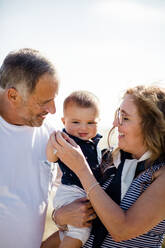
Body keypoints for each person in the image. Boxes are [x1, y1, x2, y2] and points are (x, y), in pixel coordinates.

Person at [49, 85, 165, 247]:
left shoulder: (161, 174)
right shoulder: (107, 159)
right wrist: (60, 216)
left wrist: (82, 169)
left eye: (125, 118)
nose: (115, 123)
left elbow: (122, 230)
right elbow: (76, 219)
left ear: (150, 126)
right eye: (118, 115)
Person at [0, 48, 60, 248]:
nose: (52, 110)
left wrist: (62, 216)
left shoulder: (53, 136)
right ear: (13, 95)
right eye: (44, 102)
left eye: (54, 98)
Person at [44, 91, 103, 248]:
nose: (83, 128)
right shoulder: (65, 140)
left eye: (91, 123)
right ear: (64, 121)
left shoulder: (95, 142)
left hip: (83, 193)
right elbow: (51, 158)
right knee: (80, 233)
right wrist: (53, 143)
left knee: (70, 231)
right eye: (76, 122)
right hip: (72, 192)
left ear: (99, 122)